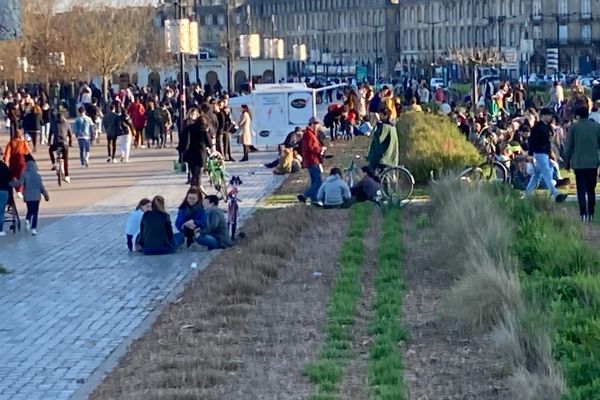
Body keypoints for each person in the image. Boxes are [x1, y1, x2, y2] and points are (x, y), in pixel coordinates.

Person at [563, 106, 600, 222]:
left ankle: (583, 213)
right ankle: (591, 213)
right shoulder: (596, 127)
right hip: (593, 162)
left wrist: (566, 162)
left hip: (578, 163)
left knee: (581, 189)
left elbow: (568, 147)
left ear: (577, 115)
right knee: (591, 189)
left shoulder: (574, 127)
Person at [525, 108, 567, 203]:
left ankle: (526, 195)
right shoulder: (537, 127)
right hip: (539, 153)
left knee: (536, 176)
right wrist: (530, 154)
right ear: (543, 116)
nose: (550, 117)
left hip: (544, 153)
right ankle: (556, 194)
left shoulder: (546, 127)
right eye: (548, 115)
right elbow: (532, 141)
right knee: (547, 173)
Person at [10, 154, 49, 236]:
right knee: (35, 212)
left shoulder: (24, 174)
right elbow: (41, 187)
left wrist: (11, 183)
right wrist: (46, 195)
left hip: (28, 196)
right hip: (36, 196)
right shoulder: (38, 176)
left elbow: (19, 183)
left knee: (29, 210)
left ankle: (27, 220)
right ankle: (34, 229)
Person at [297, 117, 324, 205]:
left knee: (314, 181)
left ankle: (314, 200)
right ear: (311, 124)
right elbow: (310, 147)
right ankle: (304, 195)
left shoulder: (311, 133)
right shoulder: (309, 134)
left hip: (312, 160)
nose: (317, 126)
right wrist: (320, 149)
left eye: (318, 124)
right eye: (316, 124)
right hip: (312, 160)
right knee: (319, 181)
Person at [183, 110, 212, 188]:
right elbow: (210, 144)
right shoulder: (204, 130)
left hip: (191, 154)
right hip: (200, 155)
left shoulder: (190, 128)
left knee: (193, 174)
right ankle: (197, 191)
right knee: (198, 175)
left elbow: (186, 142)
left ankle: (193, 189)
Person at [3, 129, 30, 198]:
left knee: (13, 175)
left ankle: (16, 189)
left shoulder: (11, 142)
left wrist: (6, 161)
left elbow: (7, 153)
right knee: (21, 175)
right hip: (21, 160)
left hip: (13, 160)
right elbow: (27, 152)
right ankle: (19, 190)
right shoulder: (23, 142)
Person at [48, 112, 72, 183]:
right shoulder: (67, 124)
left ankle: (53, 164)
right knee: (66, 160)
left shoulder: (53, 123)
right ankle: (67, 175)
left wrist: (49, 142)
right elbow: (70, 135)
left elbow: (50, 134)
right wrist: (70, 143)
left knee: (50, 150)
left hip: (56, 143)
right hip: (64, 144)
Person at [0, 157, 11, 237]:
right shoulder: (3, 166)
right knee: (1, 211)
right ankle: (0, 230)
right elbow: (9, 178)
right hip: (3, 190)